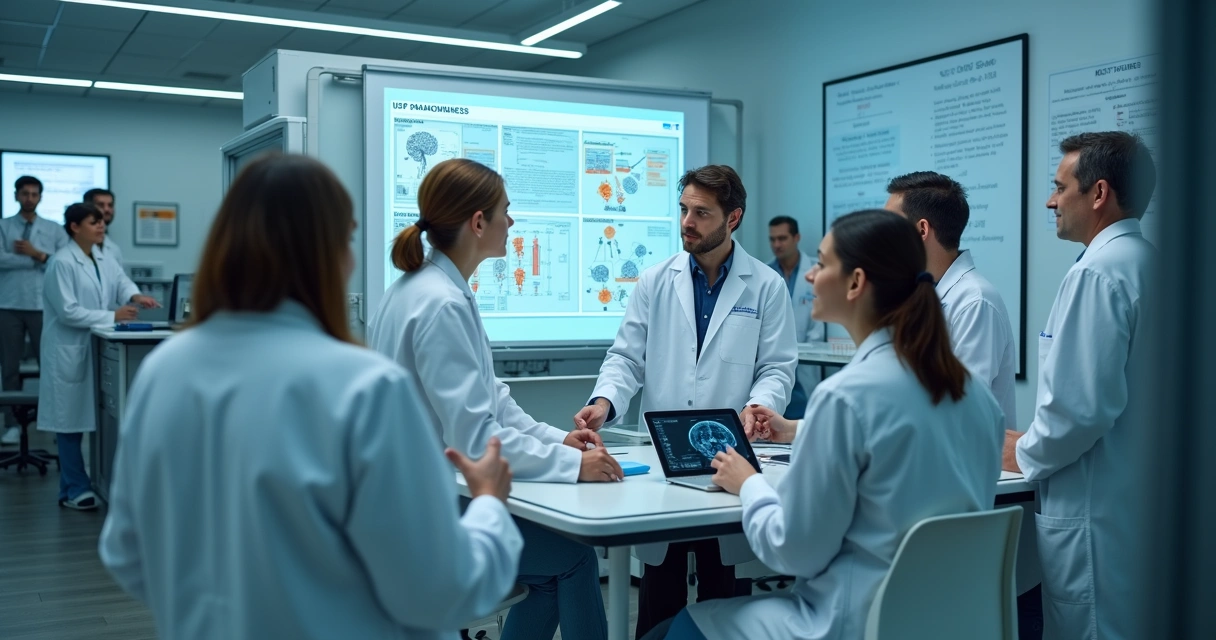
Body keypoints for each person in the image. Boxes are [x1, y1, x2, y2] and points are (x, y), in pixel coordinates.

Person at [99, 154, 523, 639]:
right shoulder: (363, 387)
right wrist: (489, 503)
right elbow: (438, 593)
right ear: (332, 253)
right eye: (349, 238)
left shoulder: (164, 370)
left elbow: (127, 555)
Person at [643, 209, 1003, 640]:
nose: (810, 276)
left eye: (822, 262)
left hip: (850, 622)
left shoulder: (846, 397)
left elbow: (792, 551)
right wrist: (800, 430)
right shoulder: (973, 393)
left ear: (855, 283)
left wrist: (749, 482)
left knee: (667, 632)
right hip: (945, 623)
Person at [367, 158, 618, 640]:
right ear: (478, 222)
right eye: (506, 209)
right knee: (574, 558)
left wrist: (561, 441)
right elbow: (478, 439)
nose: (512, 220)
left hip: (412, 498)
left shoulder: (423, 289)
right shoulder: (440, 302)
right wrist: (573, 467)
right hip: (431, 511)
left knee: (548, 575)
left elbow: (493, 401)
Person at [572, 165, 797, 638]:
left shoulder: (766, 286)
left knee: (725, 599)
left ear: (733, 218)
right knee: (660, 598)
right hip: (666, 461)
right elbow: (626, 359)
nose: (687, 222)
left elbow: (776, 367)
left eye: (701, 213)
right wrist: (603, 402)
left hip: (730, 460)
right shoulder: (656, 281)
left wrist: (759, 404)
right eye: (683, 209)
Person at [1003, 131, 1156, 640]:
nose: (1050, 200)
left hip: (1095, 510)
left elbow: (1080, 411)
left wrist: (1023, 451)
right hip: (1133, 503)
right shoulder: (1147, 262)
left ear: (1098, 193)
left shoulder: (1099, 274)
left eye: (1059, 186)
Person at [38, 203, 157, 510]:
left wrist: (135, 295)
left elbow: (120, 280)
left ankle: (77, 486)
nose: (102, 226)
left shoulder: (101, 256)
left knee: (88, 417)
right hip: (68, 348)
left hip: (92, 345)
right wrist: (112, 314)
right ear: (75, 227)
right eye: (94, 222)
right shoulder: (61, 262)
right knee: (69, 423)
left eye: (102, 222)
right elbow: (68, 312)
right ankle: (75, 488)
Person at [884, 171, 1017, 433]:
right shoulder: (917, 294)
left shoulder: (975, 302)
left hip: (965, 463)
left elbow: (960, 406)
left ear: (921, 229)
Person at [0, 175, 69, 444]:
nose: (29, 198)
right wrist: (35, 259)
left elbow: (62, 261)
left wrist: (36, 253)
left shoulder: (53, 229)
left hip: (43, 306)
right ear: (16, 195)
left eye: (34, 194)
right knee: (9, 367)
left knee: (49, 366)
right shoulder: (4, 226)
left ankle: (53, 422)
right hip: (8, 305)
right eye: (24, 193)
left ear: (40, 197)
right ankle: (12, 425)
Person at [766, 215, 823, 419]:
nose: (777, 244)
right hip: (774, 361)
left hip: (806, 363)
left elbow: (817, 327)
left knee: (804, 419)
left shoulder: (816, 271)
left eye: (782, 238)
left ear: (796, 237)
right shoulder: (765, 274)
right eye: (772, 239)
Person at [84, 188, 123, 266]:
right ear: (87, 207)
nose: (106, 209)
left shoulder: (114, 249)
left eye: (110, 205)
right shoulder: (70, 245)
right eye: (101, 205)